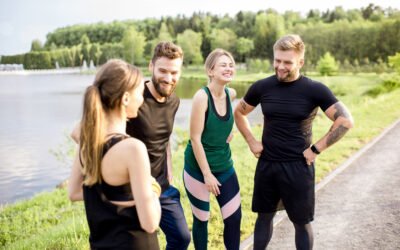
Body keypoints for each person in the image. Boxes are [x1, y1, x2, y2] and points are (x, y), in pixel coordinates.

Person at [234, 34, 354, 250]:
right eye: (277, 60)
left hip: (298, 167)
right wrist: (251, 141)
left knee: (301, 222)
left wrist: (316, 149)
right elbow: (239, 112)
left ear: (300, 62)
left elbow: (345, 121)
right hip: (268, 165)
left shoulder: (314, 89)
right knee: (263, 218)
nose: (280, 66)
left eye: (287, 62)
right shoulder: (262, 87)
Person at [68, 59, 162, 249]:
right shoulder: (133, 149)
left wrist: (124, 199)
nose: (143, 99)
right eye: (140, 93)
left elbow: (75, 192)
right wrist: (153, 189)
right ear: (126, 99)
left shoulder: (87, 143)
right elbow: (150, 222)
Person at [126, 41, 191, 250]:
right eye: (163, 70)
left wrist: (169, 166)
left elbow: (165, 137)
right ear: (151, 66)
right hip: (134, 190)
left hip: (162, 187)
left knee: (181, 238)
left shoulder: (174, 101)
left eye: (174, 72)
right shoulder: (133, 99)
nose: (169, 78)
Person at [183, 49, 241, 250]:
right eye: (223, 65)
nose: (229, 68)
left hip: (224, 167)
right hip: (198, 169)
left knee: (234, 219)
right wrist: (206, 174)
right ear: (210, 70)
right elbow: (195, 138)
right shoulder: (202, 97)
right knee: (202, 219)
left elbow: (230, 117)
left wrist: (230, 128)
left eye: (231, 65)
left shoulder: (230, 93)